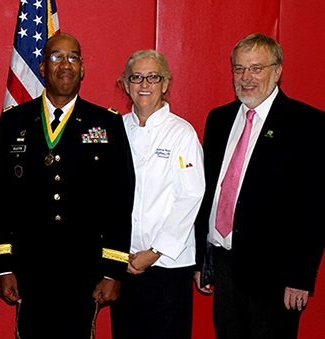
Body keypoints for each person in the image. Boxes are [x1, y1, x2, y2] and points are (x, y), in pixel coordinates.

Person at [0, 33, 135, 339]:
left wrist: (113, 271)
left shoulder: (105, 123)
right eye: (56, 57)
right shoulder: (14, 121)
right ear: (42, 67)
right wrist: (4, 266)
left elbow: (119, 200)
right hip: (30, 269)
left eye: (73, 57)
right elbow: (1, 199)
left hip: (84, 271)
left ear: (83, 69)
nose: (65, 65)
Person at [194, 33, 325, 339]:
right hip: (224, 265)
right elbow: (209, 193)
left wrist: (300, 277)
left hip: (275, 276)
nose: (246, 77)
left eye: (256, 68)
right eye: (238, 69)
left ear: (277, 70)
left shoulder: (308, 125)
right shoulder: (219, 119)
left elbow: (316, 207)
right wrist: (204, 261)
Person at [110, 50, 204, 339]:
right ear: (126, 85)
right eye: (136, 77)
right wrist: (115, 253)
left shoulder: (181, 133)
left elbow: (190, 196)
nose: (144, 84)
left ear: (165, 84)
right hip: (123, 262)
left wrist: (153, 252)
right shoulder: (115, 129)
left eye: (153, 77)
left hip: (166, 267)